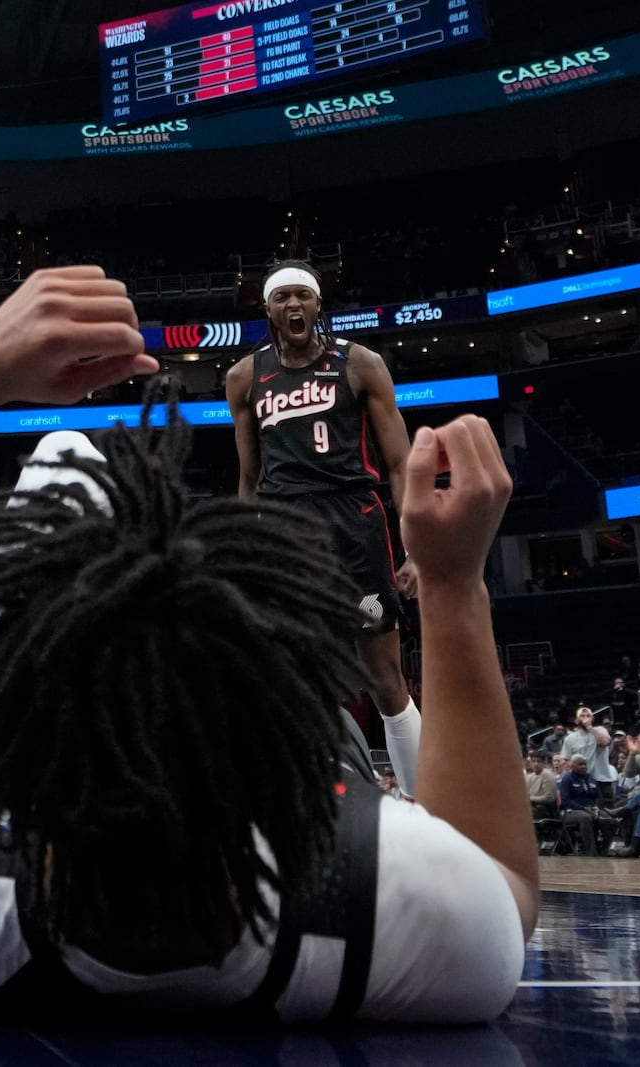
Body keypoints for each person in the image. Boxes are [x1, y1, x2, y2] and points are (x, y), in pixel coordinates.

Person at [0, 266, 536, 1024]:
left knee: (61, 483)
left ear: (4, 763)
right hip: (311, 793)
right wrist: (455, 586)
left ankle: (22, 609)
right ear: (259, 748)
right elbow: (503, 889)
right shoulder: (387, 896)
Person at [226, 262, 422, 796]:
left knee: (384, 678)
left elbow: (401, 463)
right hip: (284, 524)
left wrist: (416, 548)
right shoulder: (244, 377)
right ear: (267, 308)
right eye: (282, 297)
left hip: (353, 518)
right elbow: (248, 477)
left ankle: (424, 804)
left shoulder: (360, 364)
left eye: (303, 297)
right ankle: (302, 806)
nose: (293, 306)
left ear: (317, 306)